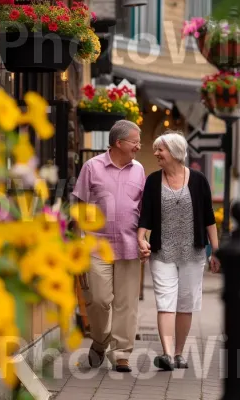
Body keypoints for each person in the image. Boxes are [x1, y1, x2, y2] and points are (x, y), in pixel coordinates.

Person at [137, 131, 220, 371]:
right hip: (162, 253)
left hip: (193, 253)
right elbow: (146, 215)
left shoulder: (199, 180)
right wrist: (141, 237)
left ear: (174, 152)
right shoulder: (153, 180)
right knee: (165, 301)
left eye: (159, 150)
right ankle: (167, 354)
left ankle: (180, 353)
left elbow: (209, 218)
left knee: (185, 303)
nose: (156, 154)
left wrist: (215, 251)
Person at [71, 120, 145, 373]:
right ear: (118, 143)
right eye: (135, 141)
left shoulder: (139, 170)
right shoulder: (92, 167)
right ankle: (101, 341)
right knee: (99, 300)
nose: (138, 146)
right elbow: (78, 207)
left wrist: (144, 238)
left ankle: (122, 353)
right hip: (96, 245)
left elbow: (143, 209)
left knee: (127, 303)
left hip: (129, 246)